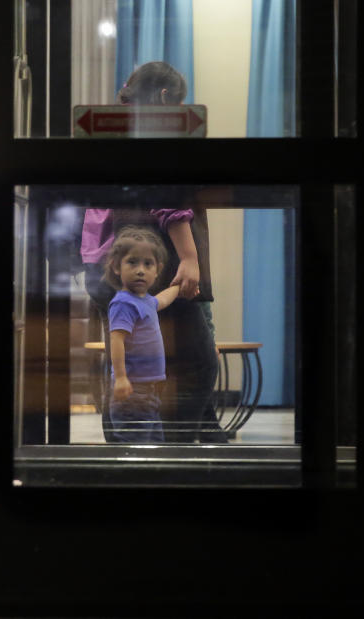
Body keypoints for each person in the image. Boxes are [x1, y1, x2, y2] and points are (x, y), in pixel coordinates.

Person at [82, 61, 226, 444]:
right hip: (150, 265)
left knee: (125, 361)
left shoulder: (111, 134)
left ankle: (128, 454)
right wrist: (189, 258)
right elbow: (167, 196)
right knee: (197, 360)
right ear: (165, 99)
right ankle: (172, 448)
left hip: (109, 268)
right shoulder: (153, 133)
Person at [103, 228, 181, 443]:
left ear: (158, 270)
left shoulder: (146, 301)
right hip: (132, 391)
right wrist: (120, 378)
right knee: (134, 447)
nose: (140, 270)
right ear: (116, 267)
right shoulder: (123, 303)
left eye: (148, 264)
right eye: (132, 262)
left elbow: (163, 299)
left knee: (153, 447)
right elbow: (116, 340)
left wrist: (180, 284)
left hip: (150, 392)